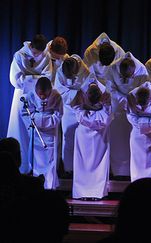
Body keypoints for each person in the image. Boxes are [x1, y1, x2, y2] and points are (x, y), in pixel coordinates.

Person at [8, 34, 53, 174]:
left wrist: (31, 78)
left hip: (39, 97)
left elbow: (48, 76)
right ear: (31, 46)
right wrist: (36, 79)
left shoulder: (46, 56)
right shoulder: (20, 55)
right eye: (34, 53)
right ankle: (20, 167)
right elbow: (16, 79)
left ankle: (37, 168)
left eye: (39, 53)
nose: (36, 56)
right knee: (20, 130)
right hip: (22, 94)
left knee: (36, 131)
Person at [106, 52, 149, 176]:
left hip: (134, 107)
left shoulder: (142, 71)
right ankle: (118, 172)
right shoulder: (112, 68)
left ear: (134, 70)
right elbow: (110, 89)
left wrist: (131, 100)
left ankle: (134, 171)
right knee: (118, 142)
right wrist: (123, 99)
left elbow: (144, 90)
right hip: (118, 109)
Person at [71, 78, 112, 200]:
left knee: (86, 164)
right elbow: (106, 117)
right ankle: (90, 192)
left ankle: (89, 192)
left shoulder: (81, 109)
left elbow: (75, 107)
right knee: (91, 163)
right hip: (97, 135)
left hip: (89, 134)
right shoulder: (105, 109)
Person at [21, 77, 63, 189]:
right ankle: (37, 185)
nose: (42, 97)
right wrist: (36, 120)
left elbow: (58, 114)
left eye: (45, 94)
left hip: (51, 131)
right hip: (37, 131)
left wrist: (47, 122)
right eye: (40, 94)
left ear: (50, 90)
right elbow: (25, 113)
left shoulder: (56, 96)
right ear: (36, 90)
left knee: (51, 159)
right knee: (37, 159)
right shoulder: (31, 95)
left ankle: (50, 186)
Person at [54, 55, 91, 174]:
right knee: (67, 136)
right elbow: (59, 90)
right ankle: (68, 168)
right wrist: (76, 93)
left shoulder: (85, 70)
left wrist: (80, 95)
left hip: (80, 108)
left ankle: (81, 167)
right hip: (68, 108)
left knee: (82, 138)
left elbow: (88, 88)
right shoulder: (60, 71)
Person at [126, 82, 151, 183]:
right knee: (137, 160)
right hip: (137, 132)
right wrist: (143, 123)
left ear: (150, 98)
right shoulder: (131, 96)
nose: (142, 109)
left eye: (145, 106)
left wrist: (144, 122)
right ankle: (136, 183)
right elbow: (130, 115)